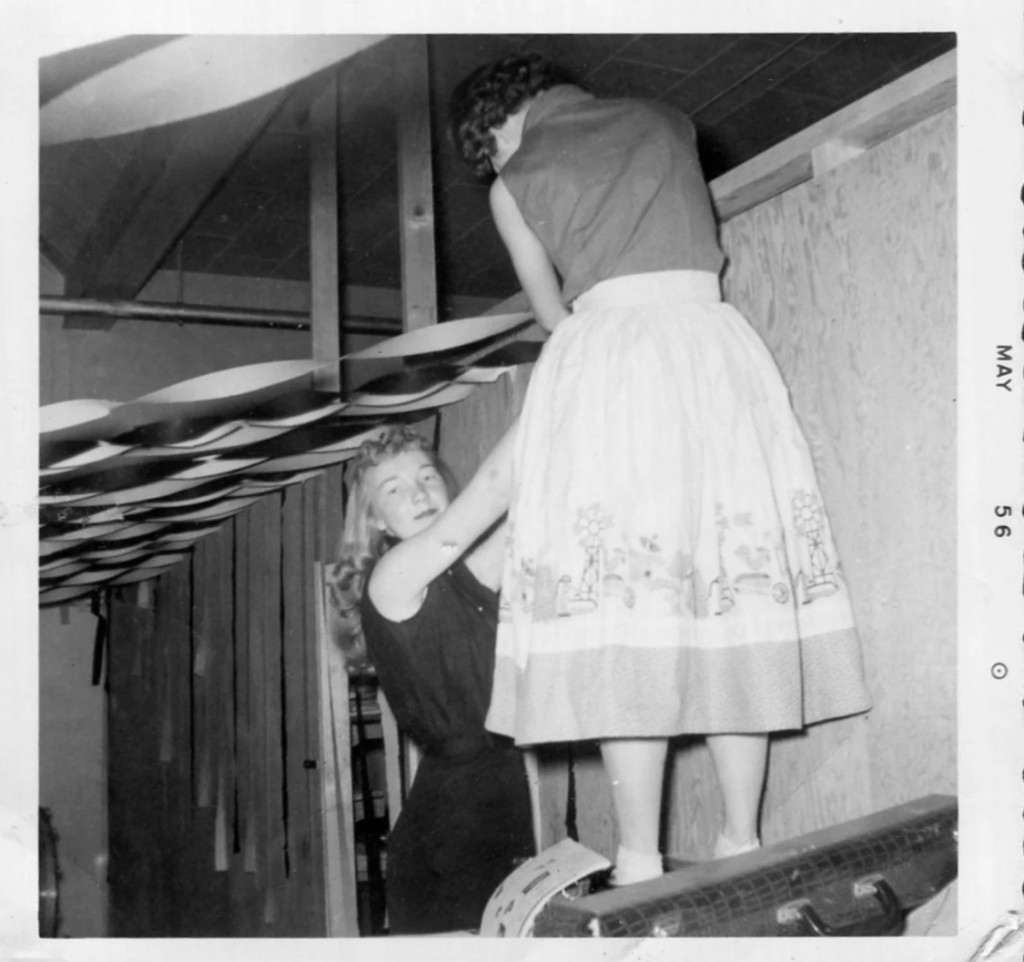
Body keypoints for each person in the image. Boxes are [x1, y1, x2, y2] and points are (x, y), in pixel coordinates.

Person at [447, 53, 873, 885]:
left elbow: (549, 312)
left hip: (614, 363)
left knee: (624, 613)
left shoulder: (514, 179)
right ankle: (741, 840)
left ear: (496, 125)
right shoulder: (665, 120)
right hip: (715, 349)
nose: (494, 169)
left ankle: (638, 858)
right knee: (730, 595)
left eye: (488, 153)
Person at [326, 424, 535, 935]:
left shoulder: (459, 579)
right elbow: (492, 492)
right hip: (455, 822)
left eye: (427, 476)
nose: (419, 493)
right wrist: (558, 382)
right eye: (394, 489)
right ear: (375, 518)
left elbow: (531, 508)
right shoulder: (392, 577)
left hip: (495, 796)